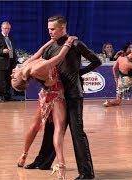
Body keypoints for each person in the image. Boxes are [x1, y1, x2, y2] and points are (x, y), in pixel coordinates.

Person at [24, 15, 101, 180]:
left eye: (52, 29)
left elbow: (97, 61)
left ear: (62, 28)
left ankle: (87, 172)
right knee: (51, 130)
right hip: (56, 96)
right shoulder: (50, 47)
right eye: (48, 29)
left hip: (73, 95)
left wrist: (79, 73)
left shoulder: (75, 44)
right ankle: (43, 162)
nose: (49, 32)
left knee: (77, 132)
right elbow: (40, 67)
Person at [13, 36, 77, 179]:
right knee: (58, 129)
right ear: (21, 79)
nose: (12, 73)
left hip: (46, 94)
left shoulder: (25, 65)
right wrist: (68, 42)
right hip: (56, 95)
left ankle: (23, 155)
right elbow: (59, 57)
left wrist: (52, 41)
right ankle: (61, 165)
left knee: (35, 126)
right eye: (13, 77)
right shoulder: (35, 69)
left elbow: (41, 50)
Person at [0, 21, 17, 102]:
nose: (7, 30)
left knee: (8, 80)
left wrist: (15, 60)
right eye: (5, 28)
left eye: (8, 28)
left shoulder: (11, 38)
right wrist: (3, 51)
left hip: (11, 62)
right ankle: (0, 96)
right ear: (1, 28)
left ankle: (8, 96)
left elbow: (13, 50)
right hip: (1, 63)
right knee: (0, 80)